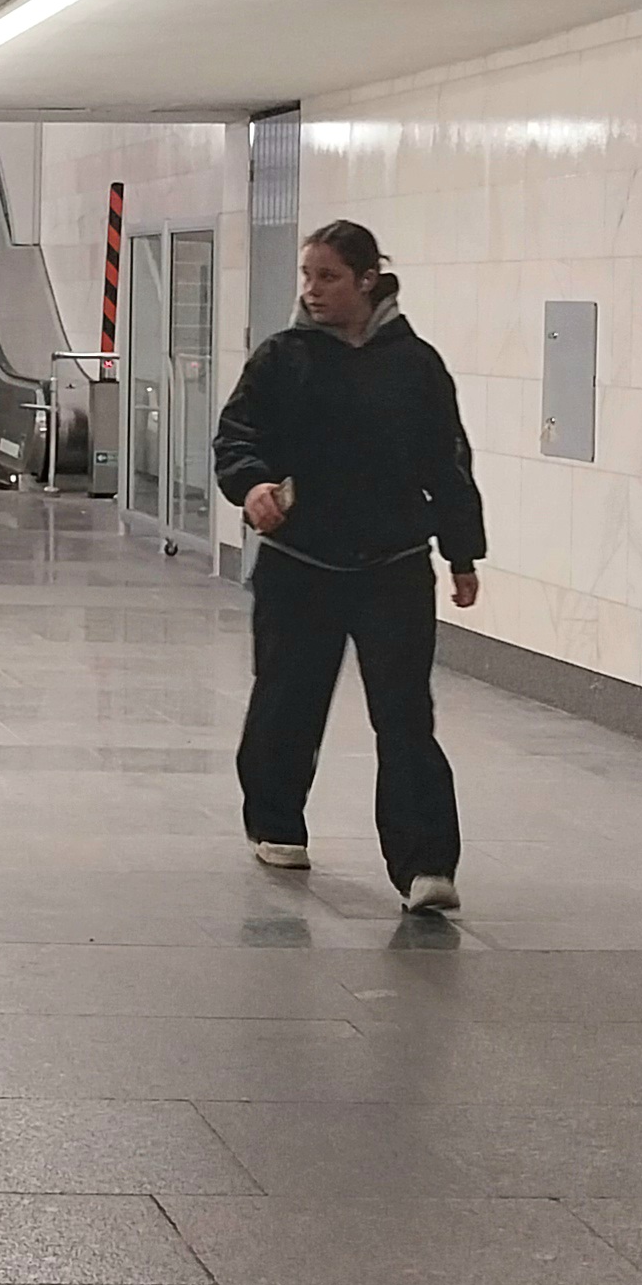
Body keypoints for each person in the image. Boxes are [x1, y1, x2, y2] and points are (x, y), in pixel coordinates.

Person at [213, 218, 485, 911]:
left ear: (367, 281)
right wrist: (252, 485)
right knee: (287, 698)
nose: (313, 289)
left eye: (328, 277)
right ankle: (276, 821)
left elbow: (448, 462)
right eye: (308, 276)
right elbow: (236, 437)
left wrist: (462, 554)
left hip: (393, 563)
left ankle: (426, 864)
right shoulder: (282, 358)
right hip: (299, 560)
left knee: (405, 715)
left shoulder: (415, 365)